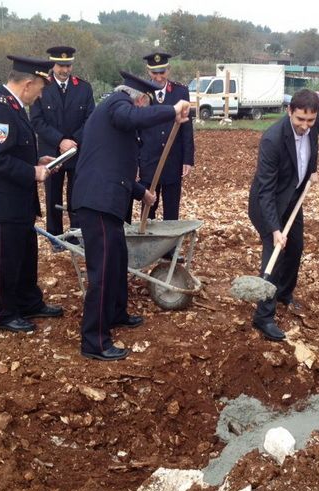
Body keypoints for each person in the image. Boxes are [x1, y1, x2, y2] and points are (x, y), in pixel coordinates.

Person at [72, 71, 191, 361]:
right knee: (102, 271)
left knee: (117, 262)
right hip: (97, 202)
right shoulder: (116, 103)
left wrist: (142, 193)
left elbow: (114, 164)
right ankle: (94, 342)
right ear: (138, 99)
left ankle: (116, 314)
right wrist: (170, 111)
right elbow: (131, 118)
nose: (144, 112)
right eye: (145, 106)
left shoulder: (117, 114)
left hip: (108, 201)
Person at [0, 55, 64, 333]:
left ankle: (27, 302)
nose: (39, 96)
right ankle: (1, 312)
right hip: (2, 203)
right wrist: (31, 173)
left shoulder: (13, 105)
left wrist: (38, 162)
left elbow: (15, 149)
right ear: (28, 84)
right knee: (5, 260)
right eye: (39, 89)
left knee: (25, 255)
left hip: (19, 201)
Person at [247, 89, 319, 341]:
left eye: (309, 120)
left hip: (292, 197)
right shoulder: (272, 140)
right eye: (300, 119)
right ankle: (263, 316)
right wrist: (275, 229)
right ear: (289, 111)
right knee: (275, 254)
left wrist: (313, 169)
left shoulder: (315, 123)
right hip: (267, 203)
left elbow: (314, 143)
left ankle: (283, 293)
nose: (305, 126)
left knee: (296, 248)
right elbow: (266, 190)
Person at [30, 46, 95, 250]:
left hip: (77, 151)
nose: (65, 70)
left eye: (68, 66)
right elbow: (37, 121)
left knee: (76, 195)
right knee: (53, 196)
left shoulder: (84, 88)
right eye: (60, 66)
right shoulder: (41, 87)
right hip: (51, 153)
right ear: (53, 65)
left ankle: (75, 234)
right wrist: (60, 141)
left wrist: (73, 140)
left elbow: (90, 119)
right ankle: (55, 236)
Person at [134, 52, 195, 228]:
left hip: (172, 160)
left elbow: (186, 127)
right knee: (148, 206)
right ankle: (147, 241)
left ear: (168, 70)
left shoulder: (180, 91)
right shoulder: (141, 93)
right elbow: (136, 126)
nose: (159, 77)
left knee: (171, 208)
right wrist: (136, 161)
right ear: (148, 71)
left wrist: (187, 159)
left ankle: (170, 249)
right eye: (155, 73)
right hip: (147, 159)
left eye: (162, 72)